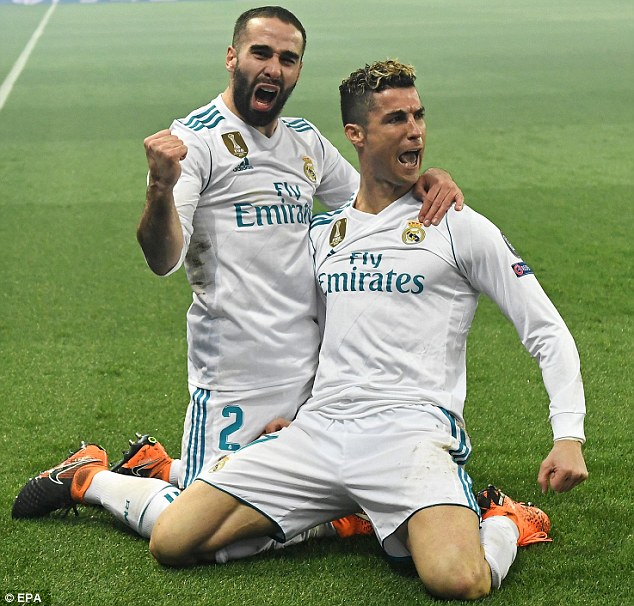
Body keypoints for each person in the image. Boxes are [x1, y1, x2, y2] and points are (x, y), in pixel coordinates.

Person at [13, 60, 588, 600]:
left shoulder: (457, 225)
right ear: (357, 136)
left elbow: (545, 330)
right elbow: (323, 330)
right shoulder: (324, 235)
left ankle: (507, 521)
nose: (414, 132)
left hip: (409, 433)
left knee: (457, 580)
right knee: (173, 542)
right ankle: (355, 515)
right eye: (396, 120)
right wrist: (303, 405)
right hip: (319, 432)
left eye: (418, 117)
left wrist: (568, 434)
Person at [128, 5, 463, 490]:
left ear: (298, 70)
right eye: (260, 53)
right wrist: (160, 187)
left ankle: (163, 467)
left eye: (287, 59)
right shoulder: (195, 141)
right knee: (205, 531)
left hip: (311, 377)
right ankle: (91, 479)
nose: (273, 68)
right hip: (234, 378)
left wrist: (427, 177)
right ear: (231, 56)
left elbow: (375, 198)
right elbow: (162, 259)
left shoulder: (305, 143)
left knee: (313, 504)